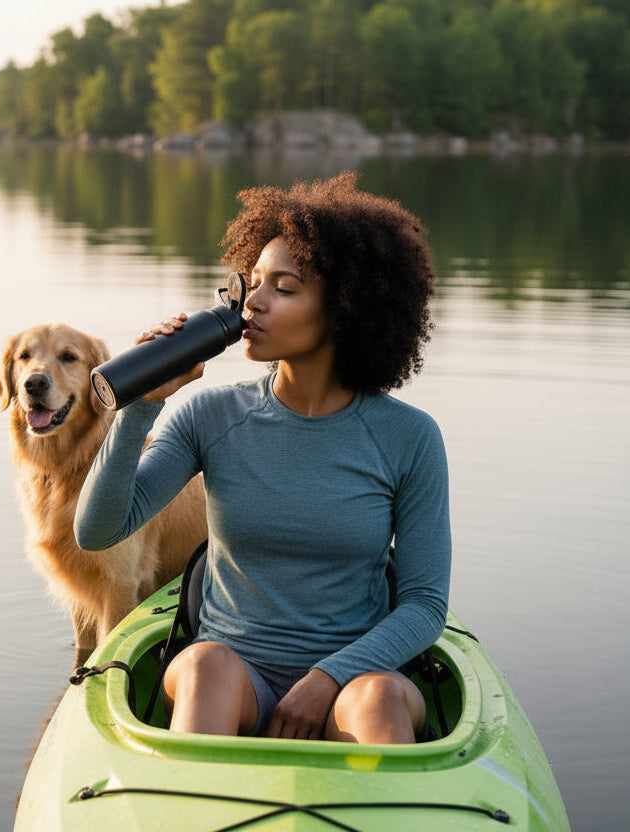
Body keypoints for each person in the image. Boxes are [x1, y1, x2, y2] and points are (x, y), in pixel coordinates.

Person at [74, 172, 451, 744]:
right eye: (252, 282)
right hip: (231, 672)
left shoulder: (409, 438)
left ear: (347, 308)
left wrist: (328, 678)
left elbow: (424, 605)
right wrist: (141, 406)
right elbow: (97, 531)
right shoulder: (210, 417)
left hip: (353, 683)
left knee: (376, 700)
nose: (254, 302)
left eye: (285, 287)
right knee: (205, 668)